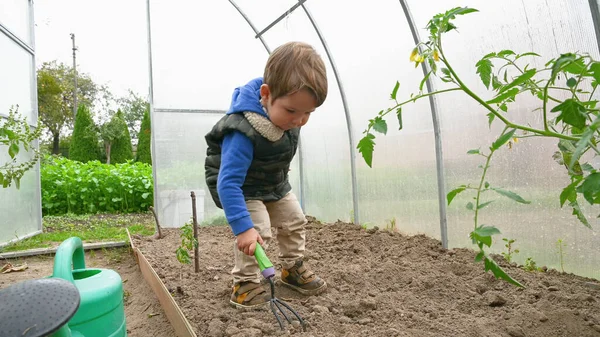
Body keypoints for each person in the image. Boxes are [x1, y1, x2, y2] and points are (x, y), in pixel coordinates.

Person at [204, 41, 328, 308]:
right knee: (256, 231)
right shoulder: (242, 130)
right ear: (266, 94)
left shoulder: (289, 114)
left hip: (273, 182)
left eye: (308, 113)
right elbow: (228, 183)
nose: (299, 120)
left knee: (295, 219)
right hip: (241, 188)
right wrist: (243, 229)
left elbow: (281, 143)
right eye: (293, 111)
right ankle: (245, 283)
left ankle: (291, 269)